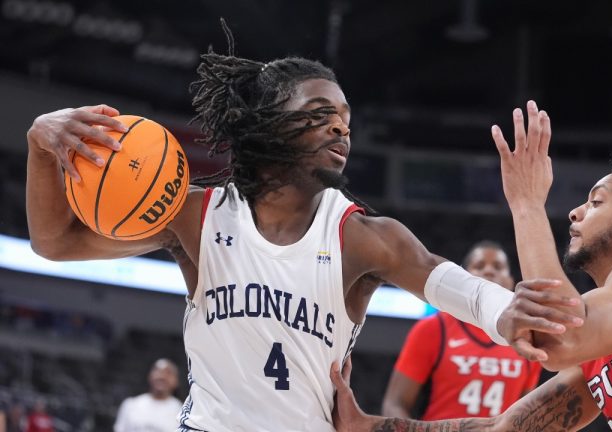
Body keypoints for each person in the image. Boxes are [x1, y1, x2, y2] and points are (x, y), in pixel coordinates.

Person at [24, 24, 575, 431]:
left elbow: (442, 277)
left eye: (346, 120)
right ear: (270, 125)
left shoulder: (363, 237)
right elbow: (55, 242)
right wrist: (39, 144)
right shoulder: (196, 215)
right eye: (319, 114)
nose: (340, 127)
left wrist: (509, 313)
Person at [330, 101, 612, 431]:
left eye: (595, 202)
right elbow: (508, 429)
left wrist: (526, 203)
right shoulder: (606, 344)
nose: (575, 213)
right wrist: (372, 427)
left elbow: (560, 337)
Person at [381, 241, 541, 420]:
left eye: (498, 266)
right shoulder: (433, 329)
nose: (489, 271)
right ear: (462, 279)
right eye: (479, 265)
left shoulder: (527, 337)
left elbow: (526, 416)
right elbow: (395, 404)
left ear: (511, 281)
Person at [114, 358, 183, 432]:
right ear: (149, 376)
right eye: (158, 371)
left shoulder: (183, 413)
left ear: (176, 381)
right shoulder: (130, 405)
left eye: (168, 373)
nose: (162, 376)